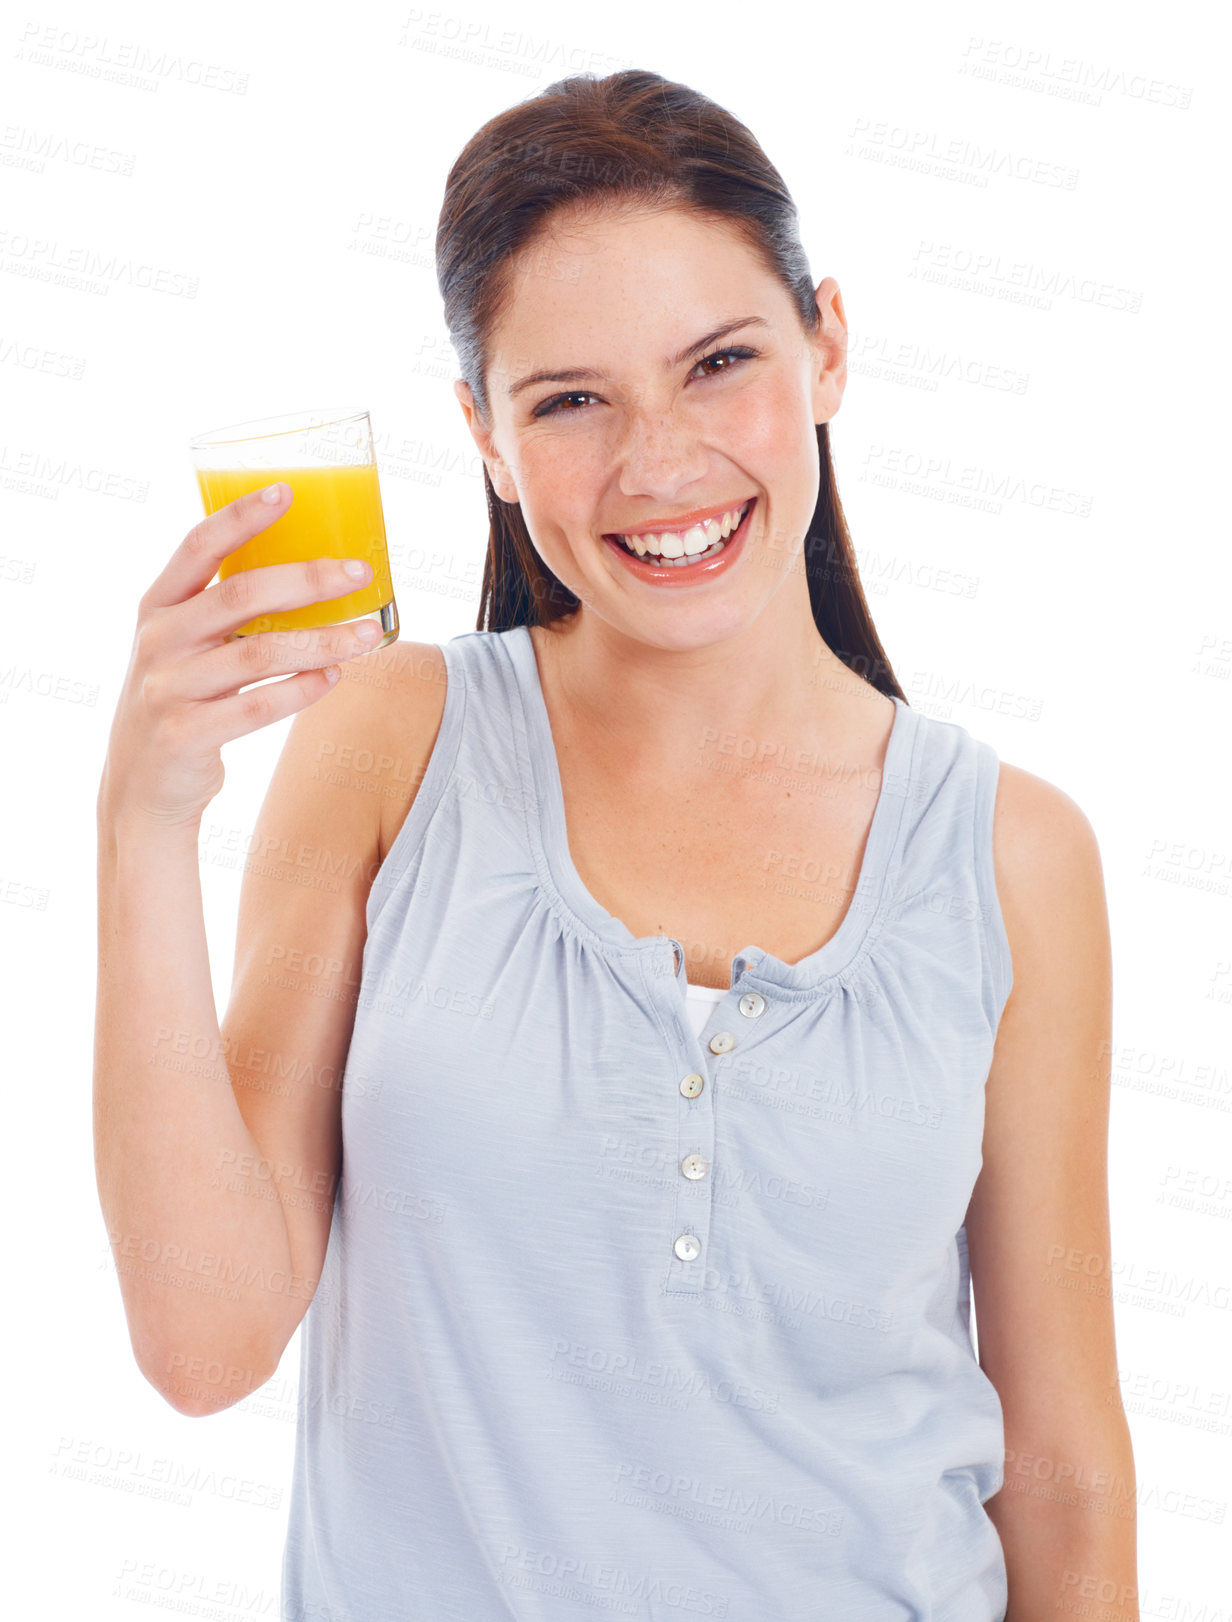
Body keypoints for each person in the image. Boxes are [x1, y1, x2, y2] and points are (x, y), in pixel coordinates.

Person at [94, 68, 1139, 1622]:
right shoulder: (394, 745)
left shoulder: (1012, 855)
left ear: (827, 345)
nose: (659, 464)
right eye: (569, 398)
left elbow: (1062, 1464)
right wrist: (145, 818)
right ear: (486, 437)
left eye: (719, 363)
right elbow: (204, 1340)